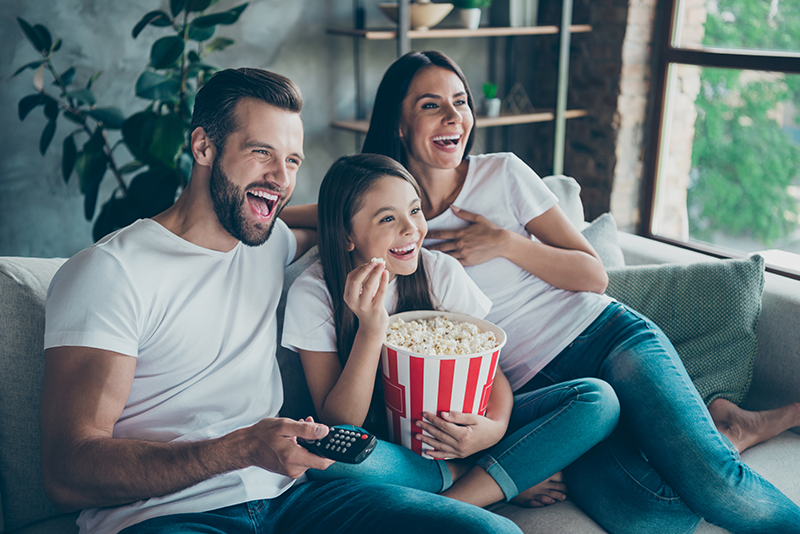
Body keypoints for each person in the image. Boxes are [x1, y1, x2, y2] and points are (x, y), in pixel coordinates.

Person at [39, 67, 523, 534]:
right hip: (167, 515)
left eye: (292, 161)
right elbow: (67, 473)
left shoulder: (267, 242)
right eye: (261, 152)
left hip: (292, 499)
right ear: (203, 146)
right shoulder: (110, 273)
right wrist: (239, 448)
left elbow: (342, 221)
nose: (280, 177)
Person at [355, 50, 800, 533]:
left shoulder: (501, 172)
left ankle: (712, 441)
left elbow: (594, 274)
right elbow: (321, 209)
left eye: (460, 101)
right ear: (397, 124)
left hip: (605, 338)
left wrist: (505, 244)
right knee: (654, 517)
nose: (453, 117)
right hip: (552, 396)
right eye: (429, 105)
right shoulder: (390, 214)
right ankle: (716, 430)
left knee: (717, 484)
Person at [281, 153, 620, 508]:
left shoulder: (440, 271)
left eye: (414, 210)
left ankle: (456, 497)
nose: (411, 229)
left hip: (468, 427)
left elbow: (489, 368)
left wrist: (494, 428)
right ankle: (485, 477)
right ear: (346, 234)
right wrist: (371, 328)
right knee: (328, 459)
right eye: (387, 218)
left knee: (598, 401)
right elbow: (340, 421)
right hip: (392, 448)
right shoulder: (315, 293)